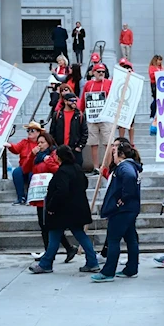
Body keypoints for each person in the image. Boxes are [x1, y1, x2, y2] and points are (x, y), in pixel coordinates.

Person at [29, 145, 99, 274]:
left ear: (59, 157)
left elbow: (61, 191)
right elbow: (84, 184)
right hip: (77, 209)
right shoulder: (77, 169)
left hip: (63, 211)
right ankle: (92, 261)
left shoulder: (63, 171)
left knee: (54, 236)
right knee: (79, 235)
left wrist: (51, 207)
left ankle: (46, 264)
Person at [22, 133, 77, 263]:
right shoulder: (37, 157)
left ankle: (50, 254)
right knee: (45, 224)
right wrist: (31, 155)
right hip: (39, 194)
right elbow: (25, 169)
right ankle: (65, 249)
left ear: (49, 143)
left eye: (42, 142)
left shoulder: (53, 155)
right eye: (38, 143)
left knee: (50, 225)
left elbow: (58, 170)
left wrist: (48, 160)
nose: (39, 145)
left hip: (50, 195)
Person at [92, 141, 143, 282]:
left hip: (122, 210)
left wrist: (123, 197)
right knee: (131, 238)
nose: (112, 155)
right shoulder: (131, 165)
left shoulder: (124, 167)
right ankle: (131, 268)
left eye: (114, 153)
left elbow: (130, 178)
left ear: (120, 154)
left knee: (113, 239)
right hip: (130, 209)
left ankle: (108, 272)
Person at [78, 63, 112, 174]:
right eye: (99, 71)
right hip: (92, 118)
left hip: (105, 118)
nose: (101, 73)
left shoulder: (109, 83)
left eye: (103, 71)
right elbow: (83, 99)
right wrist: (80, 112)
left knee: (108, 143)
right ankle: (96, 167)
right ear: (93, 73)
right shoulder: (88, 84)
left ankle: (108, 166)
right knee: (93, 143)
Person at [3, 121, 41, 205]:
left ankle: (31, 197)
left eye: (32, 130)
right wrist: (10, 145)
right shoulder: (24, 142)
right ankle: (21, 197)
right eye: (28, 130)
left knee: (33, 174)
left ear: (38, 132)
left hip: (35, 167)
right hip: (24, 166)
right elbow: (16, 149)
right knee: (16, 172)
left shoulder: (41, 143)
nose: (29, 132)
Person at [50, 93, 88, 166]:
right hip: (60, 149)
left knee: (77, 171)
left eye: (75, 100)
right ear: (65, 101)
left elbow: (84, 132)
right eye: (71, 100)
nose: (74, 102)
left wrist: (79, 147)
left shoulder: (79, 115)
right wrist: (55, 147)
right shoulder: (57, 115)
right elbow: (52, 132)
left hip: (74, 149)